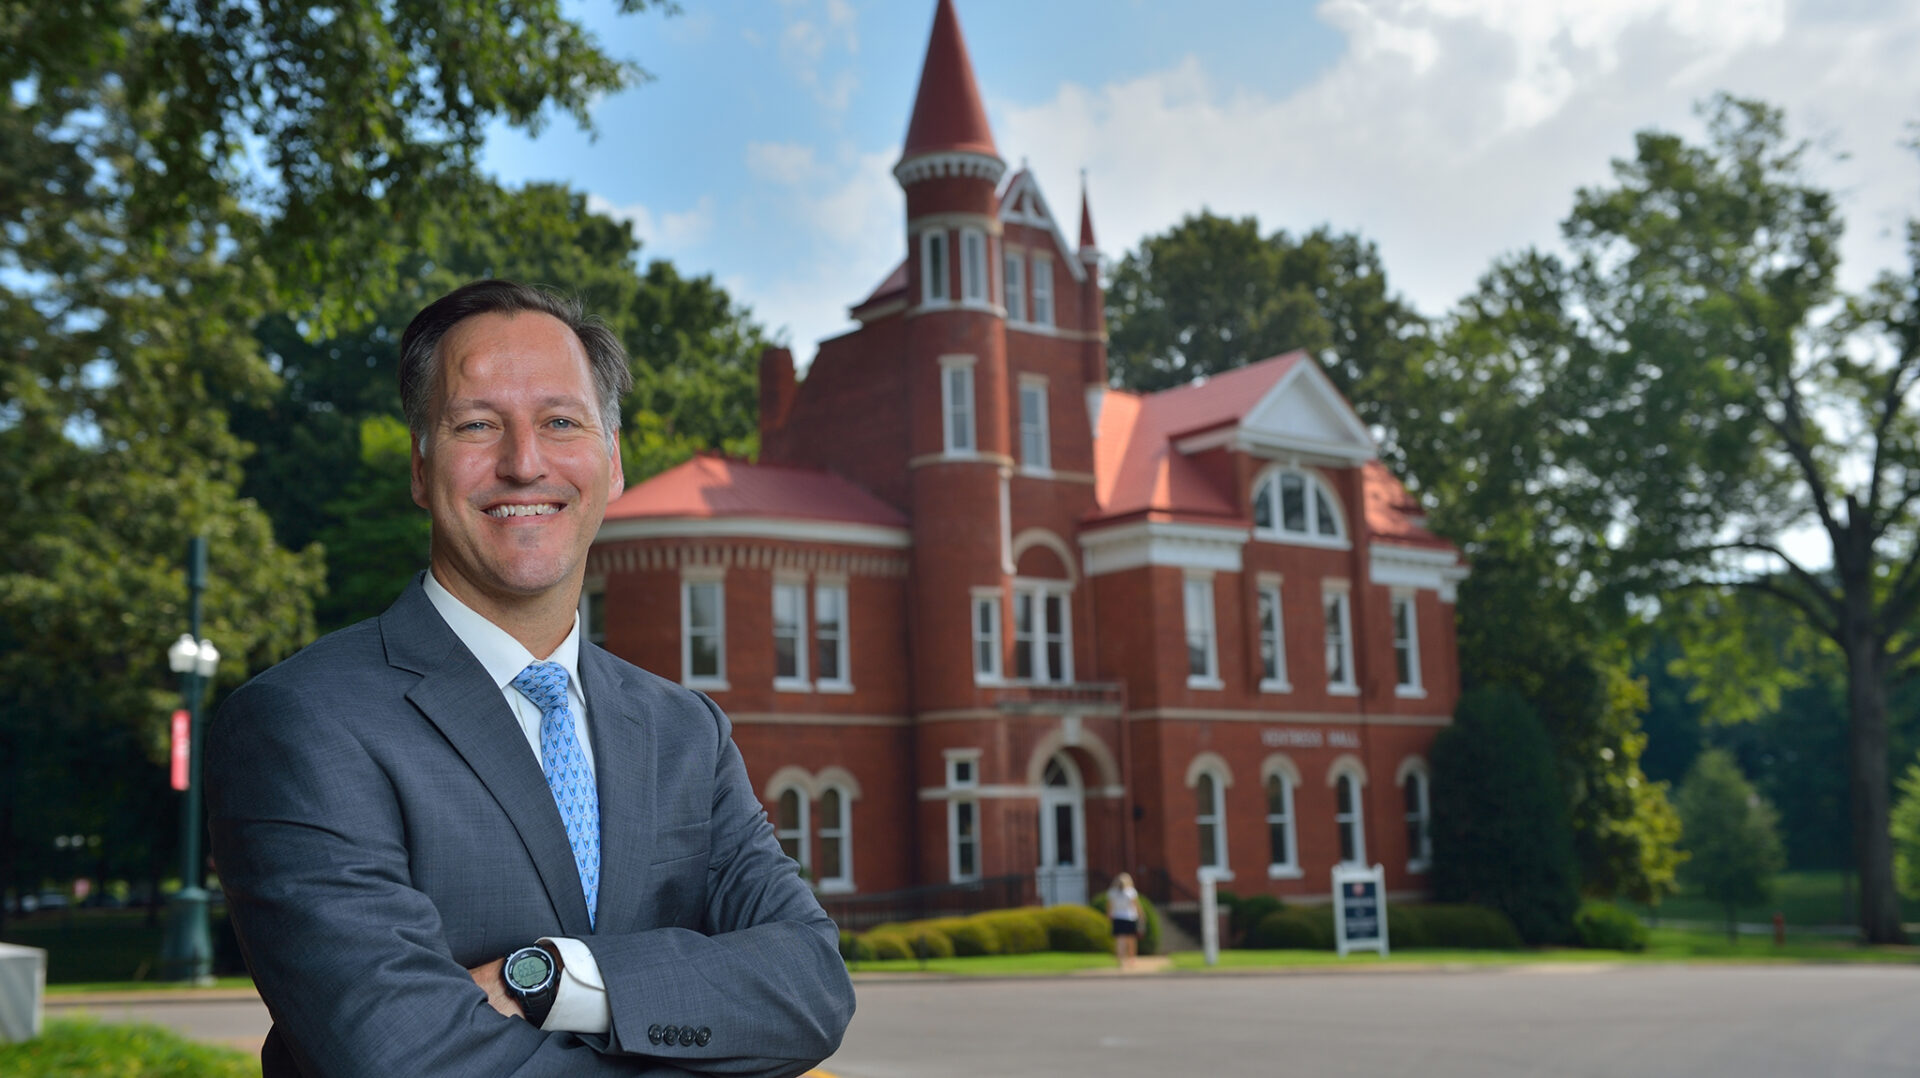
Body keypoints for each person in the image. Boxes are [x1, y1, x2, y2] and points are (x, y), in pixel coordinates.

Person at [206, 279, 855, 1078]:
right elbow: (401, 1056)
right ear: (420, 466)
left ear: (611, 463)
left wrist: (557, 979)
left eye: (560, 422)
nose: (524, 463)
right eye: (477, 425)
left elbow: (812, 987)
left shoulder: (686, 732)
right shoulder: (300, 724)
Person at [1107, 873, 1140, 969]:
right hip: (1130, 917)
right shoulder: (1131, 892)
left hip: (1117, 917)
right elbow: (1136, 905)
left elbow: (1109, 908)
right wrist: (1141, 916)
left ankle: (1121, 960)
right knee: (1131, 940)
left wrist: (1109, 918)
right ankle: (1132, 959)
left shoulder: (1112, 892)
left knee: (1120, 940)